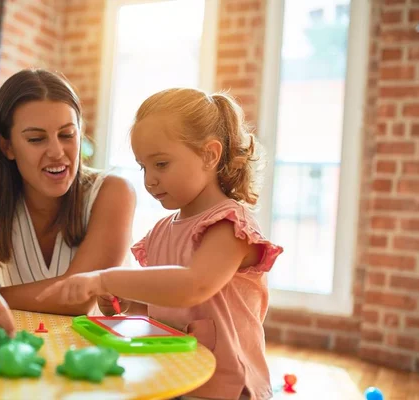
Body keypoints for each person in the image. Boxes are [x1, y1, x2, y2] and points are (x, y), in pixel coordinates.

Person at [36, 88, 284, 400]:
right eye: (143, 167)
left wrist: (104, 278)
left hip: (225, 388)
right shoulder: (162, 232)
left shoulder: (230, 226)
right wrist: (123, 302)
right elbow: (155, 308)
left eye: (161, 164)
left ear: (210, 154)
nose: (149, 180)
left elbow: (193, 286)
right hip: (171, 377)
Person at [0, 69, 136, 355]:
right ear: (7, 146)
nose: (57, 152)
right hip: (23, 350)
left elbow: (78, 301)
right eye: (36, 139)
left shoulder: (113, 193)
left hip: (95, 356)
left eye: (67, 135)